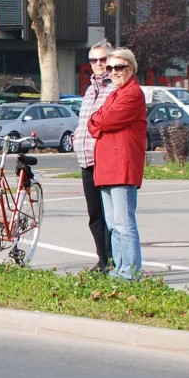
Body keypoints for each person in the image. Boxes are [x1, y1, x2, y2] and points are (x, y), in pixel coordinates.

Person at [88, 48, 147, 281]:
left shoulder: (132, 94)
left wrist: (99, 121)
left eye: (118, 67)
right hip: (107, 168)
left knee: (124, 223)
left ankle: (130, 271)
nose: (113, 72)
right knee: (112, 224)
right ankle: (119, 267)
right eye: (110, 68)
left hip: (122, 166)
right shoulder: (114, 94)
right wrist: (98, 121)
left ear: (130, 69)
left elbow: (106, 119)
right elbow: (95, 121)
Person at [72, 41, 116, 272]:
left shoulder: (114, 88)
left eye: (103, 59)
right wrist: (76, 137)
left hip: (104, 160)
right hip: (85, 160)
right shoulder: (90, 90)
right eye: (93, 60)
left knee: (110, 214)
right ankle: (102, 260)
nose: (98, 64)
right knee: (94, 214)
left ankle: (112, 259)